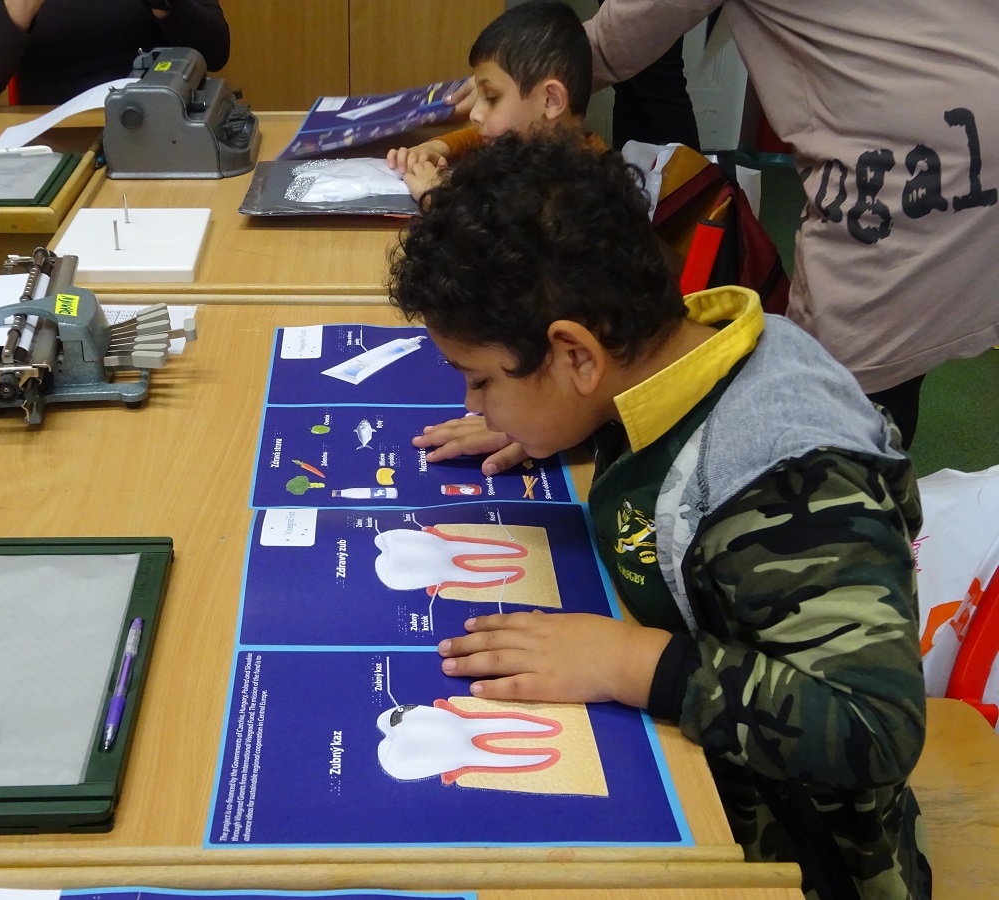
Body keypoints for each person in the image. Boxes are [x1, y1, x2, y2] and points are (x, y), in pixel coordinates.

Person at [389, 132, 930, 899]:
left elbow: (876, 727)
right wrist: (563, 422)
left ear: (577, 356)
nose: (473, 404)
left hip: (793, 856)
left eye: (481, 381)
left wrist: (631, 664)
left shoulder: (785, 480)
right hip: (705, 778)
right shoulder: (671, 355)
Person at [579, 0, 999, 447]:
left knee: (832, 403)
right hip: (967, 144)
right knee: (895, 369)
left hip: (899, 177)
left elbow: (616, 40)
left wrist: (539, 79)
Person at [385, 0, 605, 201]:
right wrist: (437, 147)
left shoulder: (584, 191)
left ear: (550, 101)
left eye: (491, 98)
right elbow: (484, 137)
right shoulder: (534, 144)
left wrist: (433, 195)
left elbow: (492, 231)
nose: (474, 114)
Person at [0, 0, 230, 109]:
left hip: (163, 127)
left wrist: (166, 4)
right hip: (55, 143)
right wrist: (21, 6)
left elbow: (215, 52)